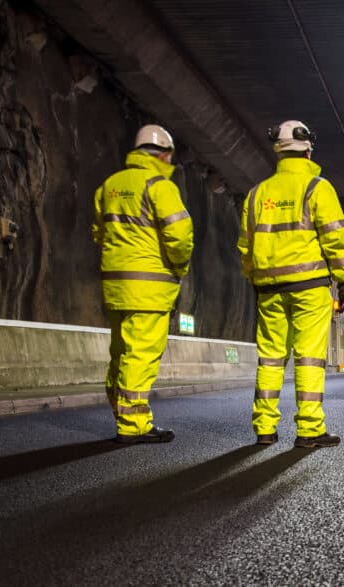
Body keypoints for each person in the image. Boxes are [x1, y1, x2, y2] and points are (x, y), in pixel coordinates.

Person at [238, 120, 344, 448]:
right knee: (308, 358)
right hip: (309, 289)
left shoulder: (257, 193)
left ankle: (263, 428)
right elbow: (334, 238)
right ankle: (309, 429)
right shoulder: (317, 188)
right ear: (308, 149)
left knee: (271, 358)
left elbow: (245, 246)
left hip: (269, 291)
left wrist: (256, 278)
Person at [92, 124, 194, 444]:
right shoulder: (159, 186)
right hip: (150, 285)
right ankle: (133, 424)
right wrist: (178, 267)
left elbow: (99, 233)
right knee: (141, 354)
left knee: (120, 352)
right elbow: (180, 236)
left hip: (115, 283)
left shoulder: (109, 186)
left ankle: (121, 411)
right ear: (164, 154)